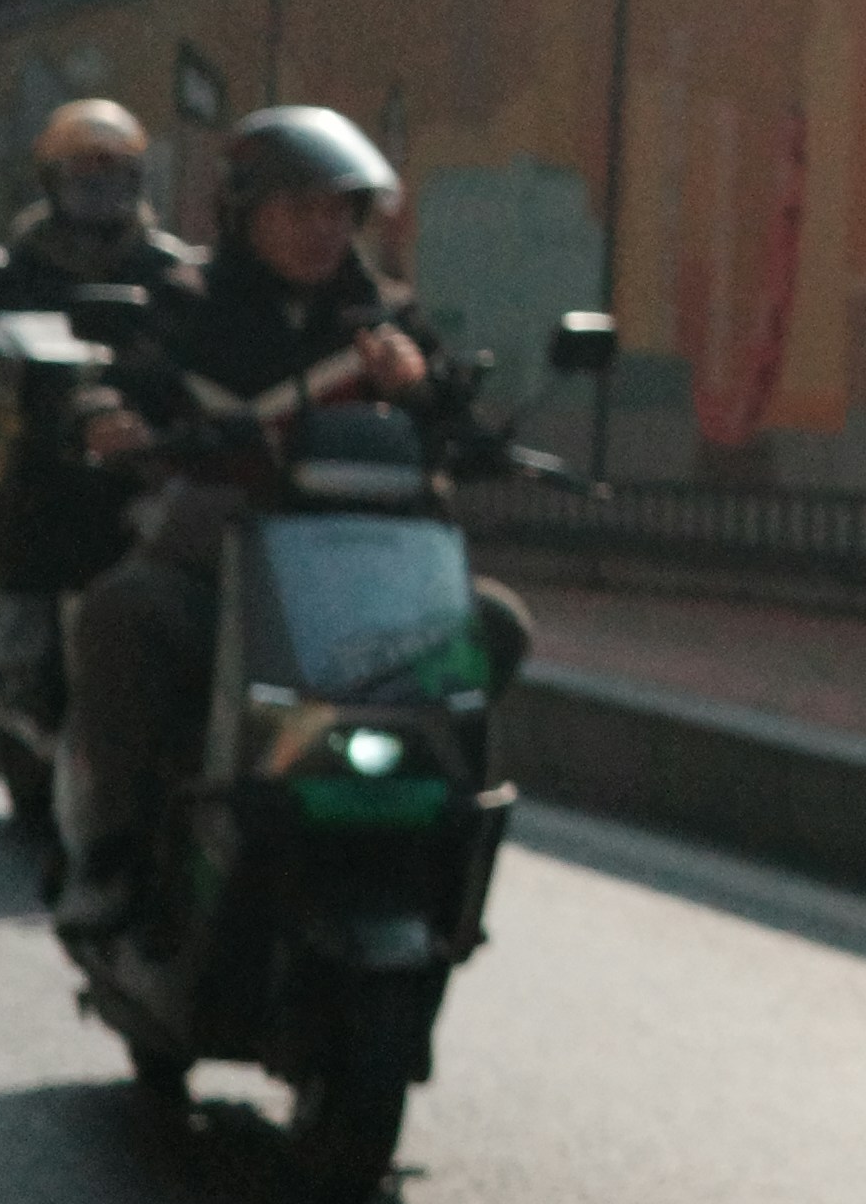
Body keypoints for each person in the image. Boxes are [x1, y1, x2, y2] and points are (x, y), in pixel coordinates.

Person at [51, 104, 526, 946]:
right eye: (299, 209)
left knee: (496, 625)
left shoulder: (386, 316)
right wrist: (106, 419)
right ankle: (113, 850)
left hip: (370, 594)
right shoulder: (189, 301)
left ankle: (453, 840)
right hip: (220, 571)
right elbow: (119, 381)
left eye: (338, 211)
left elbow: (460, 424)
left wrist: (418, 388)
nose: (322, 230)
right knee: (121, 615)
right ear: (246, 213)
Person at [0, 100, 207, 639]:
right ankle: (16, 625)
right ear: (51, 183)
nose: (101, 192)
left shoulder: (165, 266)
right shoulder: (22, 259)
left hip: (135, 442)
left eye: (115, 177)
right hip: (32, 440)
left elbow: (199, 343)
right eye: (84, 178)